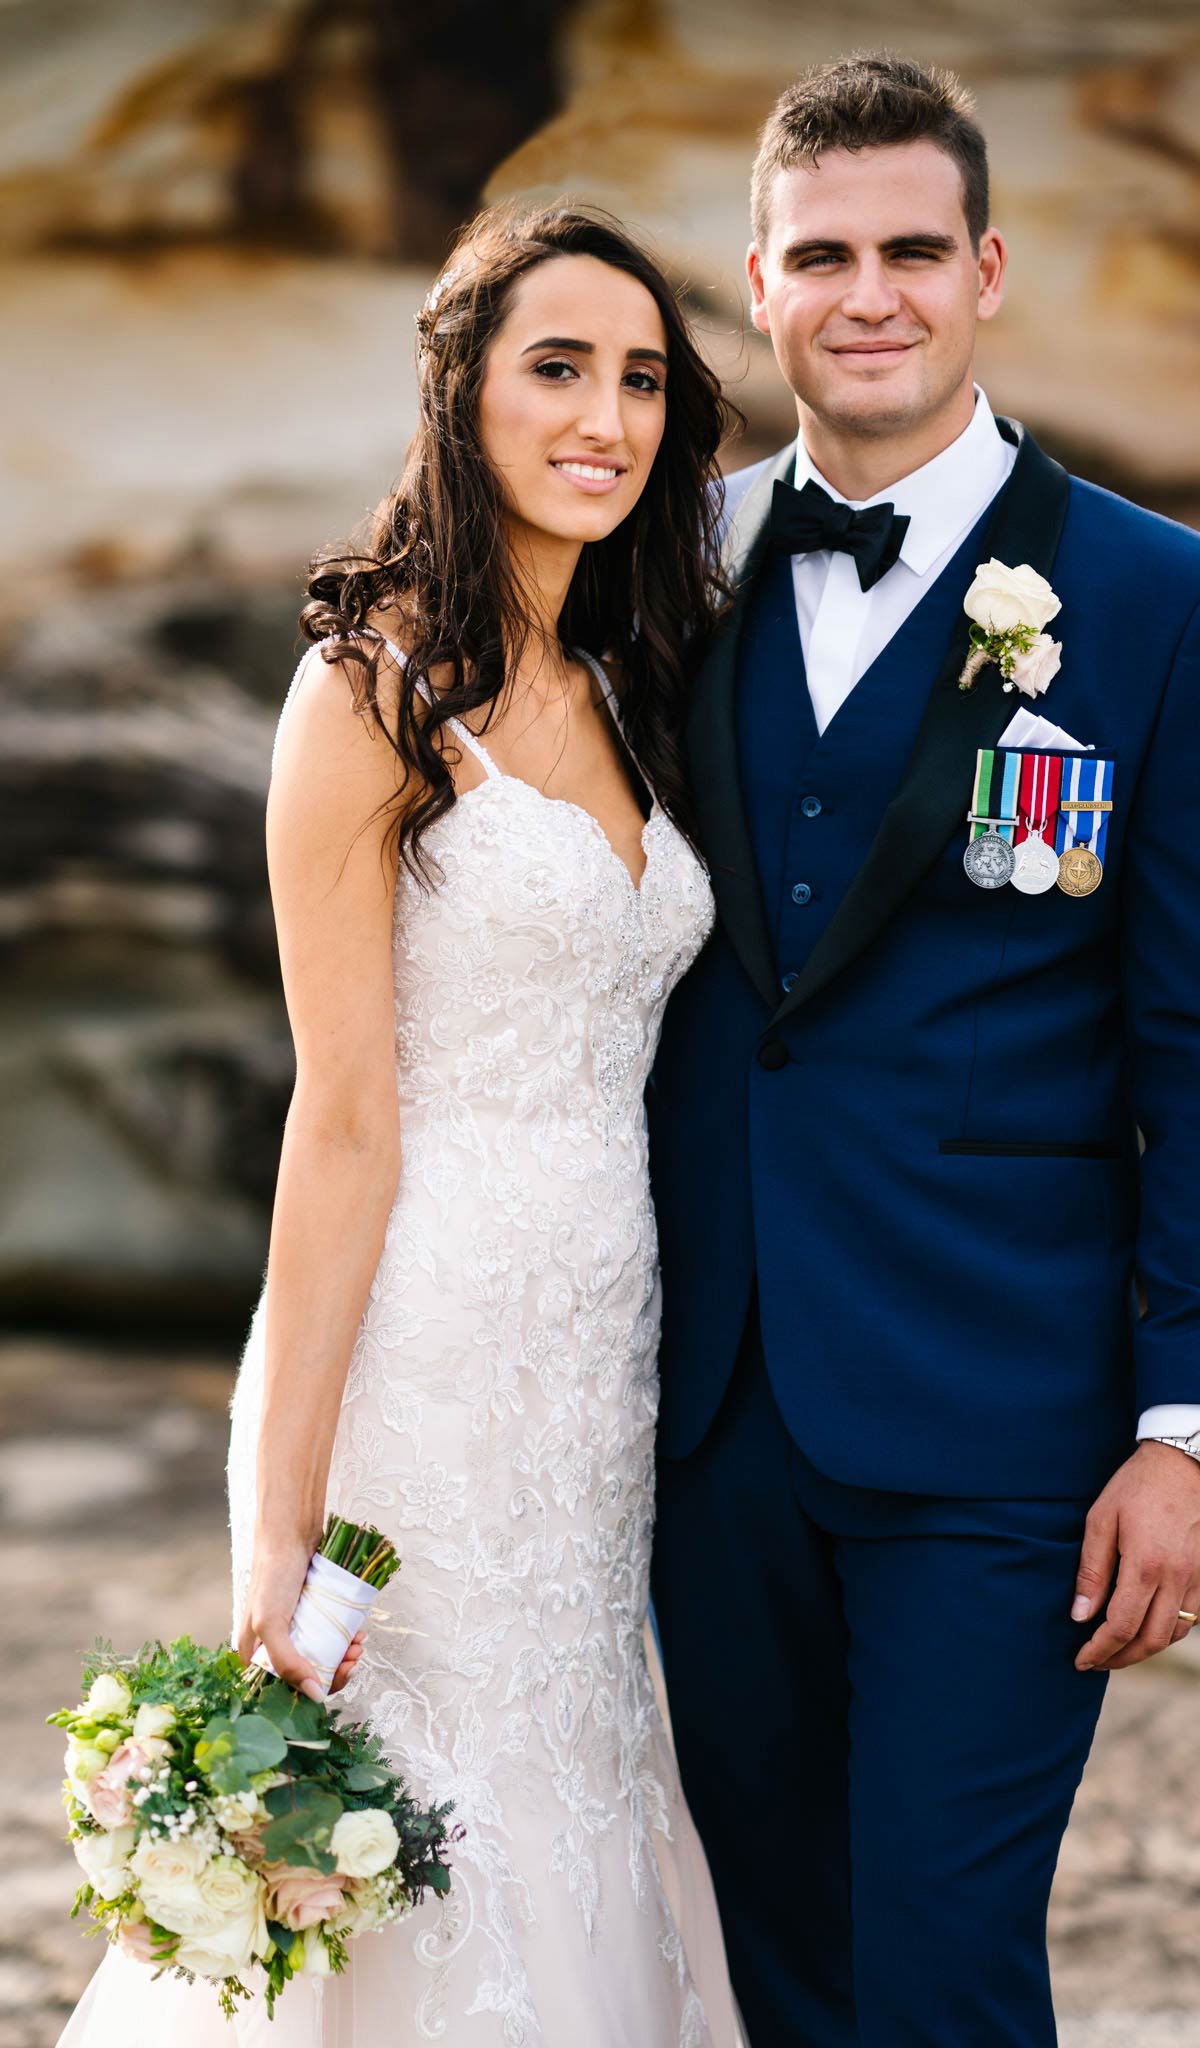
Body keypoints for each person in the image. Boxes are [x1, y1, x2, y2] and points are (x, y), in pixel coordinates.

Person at [646, 53, 1200, 2048]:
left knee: (936, 1972)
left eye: (910, 251)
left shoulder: (1168, 609)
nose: (868, 296)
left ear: (983, 268)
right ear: (754, 283)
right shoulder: (648, 582)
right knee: (780, 1964)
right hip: (701, 1418)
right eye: (819, 254)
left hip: (1003, 1427)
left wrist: (1183, 1430)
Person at [57, 202, 745, 2047]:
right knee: (408, 1809)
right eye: (556, 368)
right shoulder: (369, 691)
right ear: (460, 391)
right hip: (422, 1351)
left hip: (599, 1360)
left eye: (643, 380)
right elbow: (342, 1117)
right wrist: (276, 1522)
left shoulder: (628, 677)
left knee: (583, 1773)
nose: (605, 416)